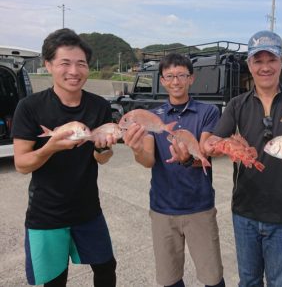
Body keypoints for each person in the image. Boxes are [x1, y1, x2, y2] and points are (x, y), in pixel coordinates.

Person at [204, 30, 282, 286]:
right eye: (258, 61)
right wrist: (224, 146)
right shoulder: (237, 104)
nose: (265, 67)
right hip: (244, 211)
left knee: (279, 281)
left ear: (281, 61)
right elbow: (212, 143)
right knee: (248, 281)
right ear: (249, 65)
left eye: (271, 59)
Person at [12, 28, 119, 286]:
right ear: (48, 65)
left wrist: (103, 148)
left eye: (81, 63)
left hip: (88, 210)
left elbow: (102, 159)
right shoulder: (30, 107)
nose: (74, 71)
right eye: (65, 63)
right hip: (46, 215)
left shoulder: (99, 106)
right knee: (53, 281)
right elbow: (21, 164)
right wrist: (51, 147)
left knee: (106, 270)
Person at [122, 53, 225, 287]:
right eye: (170, 76)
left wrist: (188, 157)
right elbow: (148, 160)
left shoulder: (207, 112)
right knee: (169, 279)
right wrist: (137, 149)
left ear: (191, 78)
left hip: (199, 206)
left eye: (181, 75)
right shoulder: (152, 117)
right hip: (162, 209)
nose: (176, 81)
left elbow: (205, 153)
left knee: (213, 278)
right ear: (162, 80)